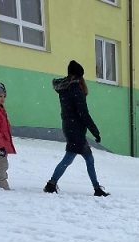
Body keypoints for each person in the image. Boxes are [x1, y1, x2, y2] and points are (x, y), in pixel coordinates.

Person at [43, 60, 109, 197]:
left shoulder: (64, 89)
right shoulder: (76, 90)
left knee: (85, 159)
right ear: (79, 76)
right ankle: (51, 184)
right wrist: (95, 131)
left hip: (69, 127)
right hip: (76, 130)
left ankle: (96, 188)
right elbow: (83, 113)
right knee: (70, 158)